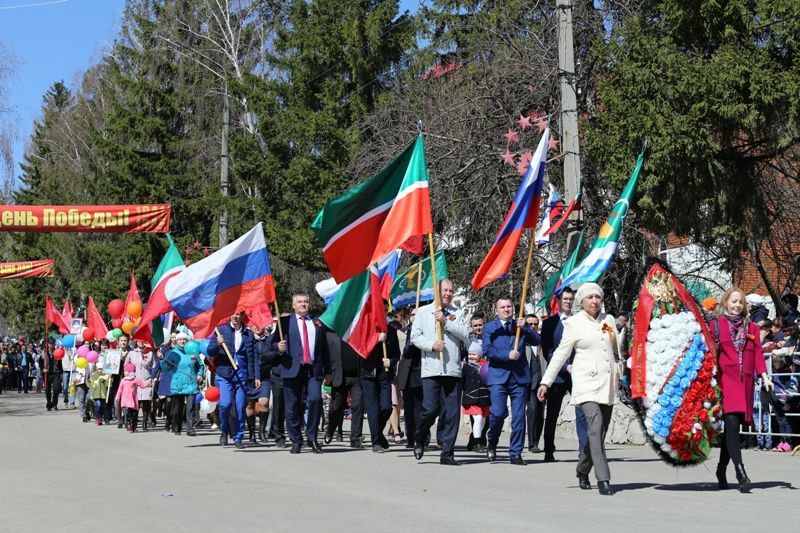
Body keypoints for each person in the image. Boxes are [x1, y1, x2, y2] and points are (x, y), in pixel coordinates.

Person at [537, 283, 621, 496]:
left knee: (599, 434)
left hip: (607, 384)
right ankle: (604, 478)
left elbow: (616, 351)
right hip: (585, 383)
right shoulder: (573, 323)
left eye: (598, 297)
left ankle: (582, 468)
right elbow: (559, 354)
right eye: (590, 297)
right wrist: (546, 382)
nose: (594, 301)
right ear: (581, 302)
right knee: (595, 426)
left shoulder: (608, 320)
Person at [710, 287, 773, 492]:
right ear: (726, 302)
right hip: (725, 382)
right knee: (731, 423)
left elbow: (757, 355)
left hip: (745, 382)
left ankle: (721, 469)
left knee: (732, 429)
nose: (737, 305)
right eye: (733, 301)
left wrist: (765, 377)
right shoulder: (716, 324)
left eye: (740, 302)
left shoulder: (752, 327)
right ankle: (740, 470)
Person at [411, 279, 470, 466]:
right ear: (437, 292)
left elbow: (465, 333)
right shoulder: (423, 312)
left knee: (452, 414)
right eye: (445, 290)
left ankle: (447, 453)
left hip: (452, 370)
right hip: (432, 369)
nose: (448, 294)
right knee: (430, 409)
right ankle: (419, 436)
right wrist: (432, 345)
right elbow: (415, 337)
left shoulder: (457, 313)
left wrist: (445, 322)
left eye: (451, 291)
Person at [270, 293, 331, 454]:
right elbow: (272, 344)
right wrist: (278, 347)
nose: (303, 304)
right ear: (293, 305)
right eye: (299, 302)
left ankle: (312, 437)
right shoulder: (284, 322)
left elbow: (324, 349)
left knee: (315, 400)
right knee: (292, 407)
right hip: (292, 368)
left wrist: (328, 371)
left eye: (306, 301)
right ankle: (296, 440)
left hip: (313, 369)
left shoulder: (317, 323)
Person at [483, 299, 540, 465]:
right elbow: (487, 350)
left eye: (509, 307)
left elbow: (537, 340)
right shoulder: (490, 328)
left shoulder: (520, 325)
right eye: (502, 307)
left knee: (519, 418)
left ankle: (515, 453)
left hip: (519, 377)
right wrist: (506, 355)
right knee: (498, 413)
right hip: (498, 377)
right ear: (496, 310)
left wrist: (526, 328)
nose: (506, 310)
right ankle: (492, 442)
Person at [539, 287, 588, 462]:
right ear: (558, 301)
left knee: (582, 412)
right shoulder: (549, 323)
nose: (568, 302)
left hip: (578, 374)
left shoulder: (579, 321)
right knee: (552, 414)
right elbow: (548, 351)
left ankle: (584, 450)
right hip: (559, 376)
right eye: (565, 299)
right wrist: (564, 366)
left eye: (570, 299)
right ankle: (548, 450)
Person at [208, 311, 258, 449]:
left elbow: (253, 357)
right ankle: (224, 430)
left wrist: (256, 376)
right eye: (233, 314)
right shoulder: (221, 330)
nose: (235, 317)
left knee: (241, 406)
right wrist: (218, 344)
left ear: (242, 316)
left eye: (238, 314)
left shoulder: (248, 334)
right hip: (224, 374)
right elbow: (210, 351)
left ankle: (239, 436)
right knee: (225, 404)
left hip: (242, 374)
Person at [323, 327, 364, 448]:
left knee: (358, 406)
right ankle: (331, 429)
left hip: (357, 377)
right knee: (336, 407)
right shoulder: (331, 335)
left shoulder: (358, 332)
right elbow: (325, 356)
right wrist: (326, 374)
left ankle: (355, 438)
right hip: (339, 377)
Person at [165, 332, 205, 437]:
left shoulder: (193, 351)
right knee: (178, 408)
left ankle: (190, 428)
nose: (182, 341)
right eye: (180, 339)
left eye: (184, 339)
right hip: (178, 384)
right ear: (176, 341)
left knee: (191, 407)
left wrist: (200, 374)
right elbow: (166, 368)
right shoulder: (173, 353)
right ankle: (177, 427)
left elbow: (200, 366)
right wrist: (162, 360)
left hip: (191, 383)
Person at [396, 307, 422, 450]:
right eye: (413, 315)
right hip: (408, 373)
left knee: (423, 408)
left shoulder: (427, 329)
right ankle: (411, 438)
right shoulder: (407, 331)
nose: (415, 317)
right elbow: (406, 352)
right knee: (410, 409)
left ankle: (421, 436)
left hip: (423, 373)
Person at [461, 341, 489, 452]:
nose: (471, 357)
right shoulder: (466, 367)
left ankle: (473, 438)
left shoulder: (486, 366)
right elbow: (462, 382)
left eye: (474, 354)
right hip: (471, 398)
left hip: (484, 398)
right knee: (477, 418)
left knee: (482, 420)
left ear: (480, 355)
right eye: (470, 354)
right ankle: (478, 443)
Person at [525, 313, 545, 453]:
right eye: (529, 324)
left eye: (535, 324)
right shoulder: (522, 341)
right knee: (531, 411)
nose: (533, 327)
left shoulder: (542, 341)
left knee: (540, 413)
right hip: (528, 382)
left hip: (542, 382)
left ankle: (537, 441)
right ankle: (531, 443)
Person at [116, 363, 151, 433]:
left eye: (125, 371)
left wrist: (149, 382)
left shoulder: (135, 380)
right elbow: (120, 389)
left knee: (134, 416)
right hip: (125, 402)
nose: (124, 372)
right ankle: (129, 425)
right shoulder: (123, 380)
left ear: (130, 372)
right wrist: (117, 397)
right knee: (127, 414)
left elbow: (142, 385)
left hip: (133, 402)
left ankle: (134, 427)